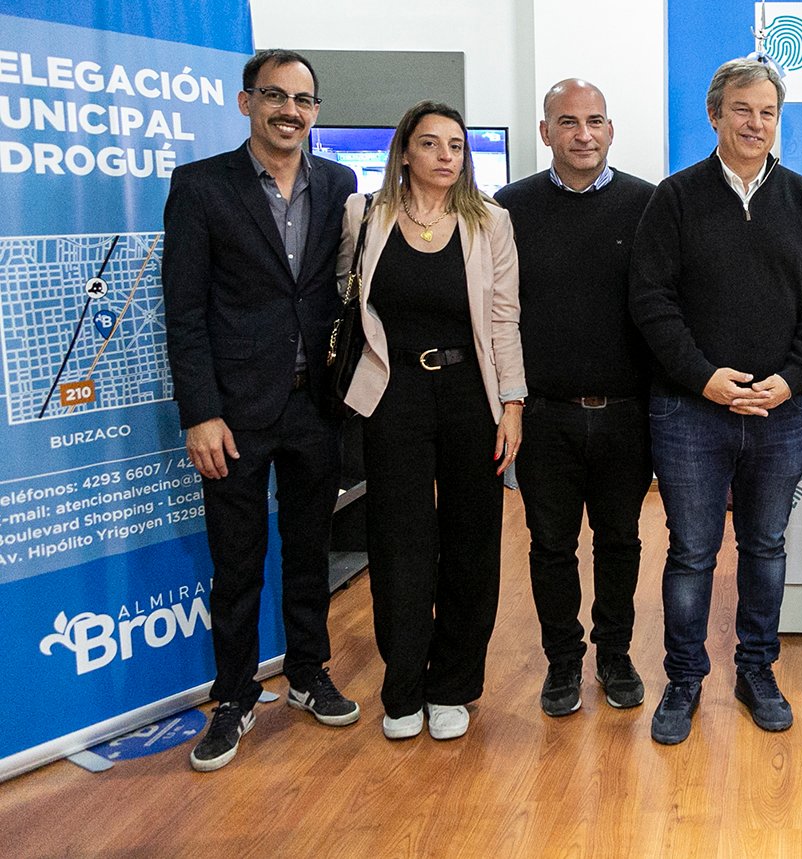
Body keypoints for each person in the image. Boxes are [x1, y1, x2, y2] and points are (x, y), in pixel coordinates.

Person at [630, 57, 802, 745]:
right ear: (714, 114)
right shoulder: (676, 197)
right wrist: (703, 377)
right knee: (692, 551)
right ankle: (684, 679)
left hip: (778, 409)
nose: (755, 123)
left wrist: (793, 377)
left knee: (766, 546)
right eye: (742, 109)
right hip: (690, 410)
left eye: (767, 112)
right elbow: (651, 301)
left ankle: (756, 671)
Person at [163, 49, 360, 772]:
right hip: (235, 413)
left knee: (310, 550)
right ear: (247, 102)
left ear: (315, 111)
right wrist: (200, 413)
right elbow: (184, 312)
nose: (290, 111)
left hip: (315, 404)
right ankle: (235, 695)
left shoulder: (338, 183)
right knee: (237, 561)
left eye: (303, 100)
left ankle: (307, 671)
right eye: (275, 96)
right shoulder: (200, 186)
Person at [337, 100, 525, 743]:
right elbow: (345, 298)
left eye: (456, 145)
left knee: (472, 541)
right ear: (405, 152)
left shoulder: (489, 221)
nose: (447, 155)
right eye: (431, 143)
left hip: (472, 396)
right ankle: (403, 688)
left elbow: (503, 319)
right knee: (400, 542)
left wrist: (513, 404)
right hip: (394, 396)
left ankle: (453, 686)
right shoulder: (365, 215)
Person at [495, 79, 655, 718]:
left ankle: (615, 655)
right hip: (545, 416)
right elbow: (500, 314)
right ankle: (562, 661)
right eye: (567, 122)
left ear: (611, 129)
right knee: (551, 546)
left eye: (594, 121)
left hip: (626, 414)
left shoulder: (648, 204)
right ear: (545, 132)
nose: (583, 134)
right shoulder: (509, 208)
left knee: (620, 541)